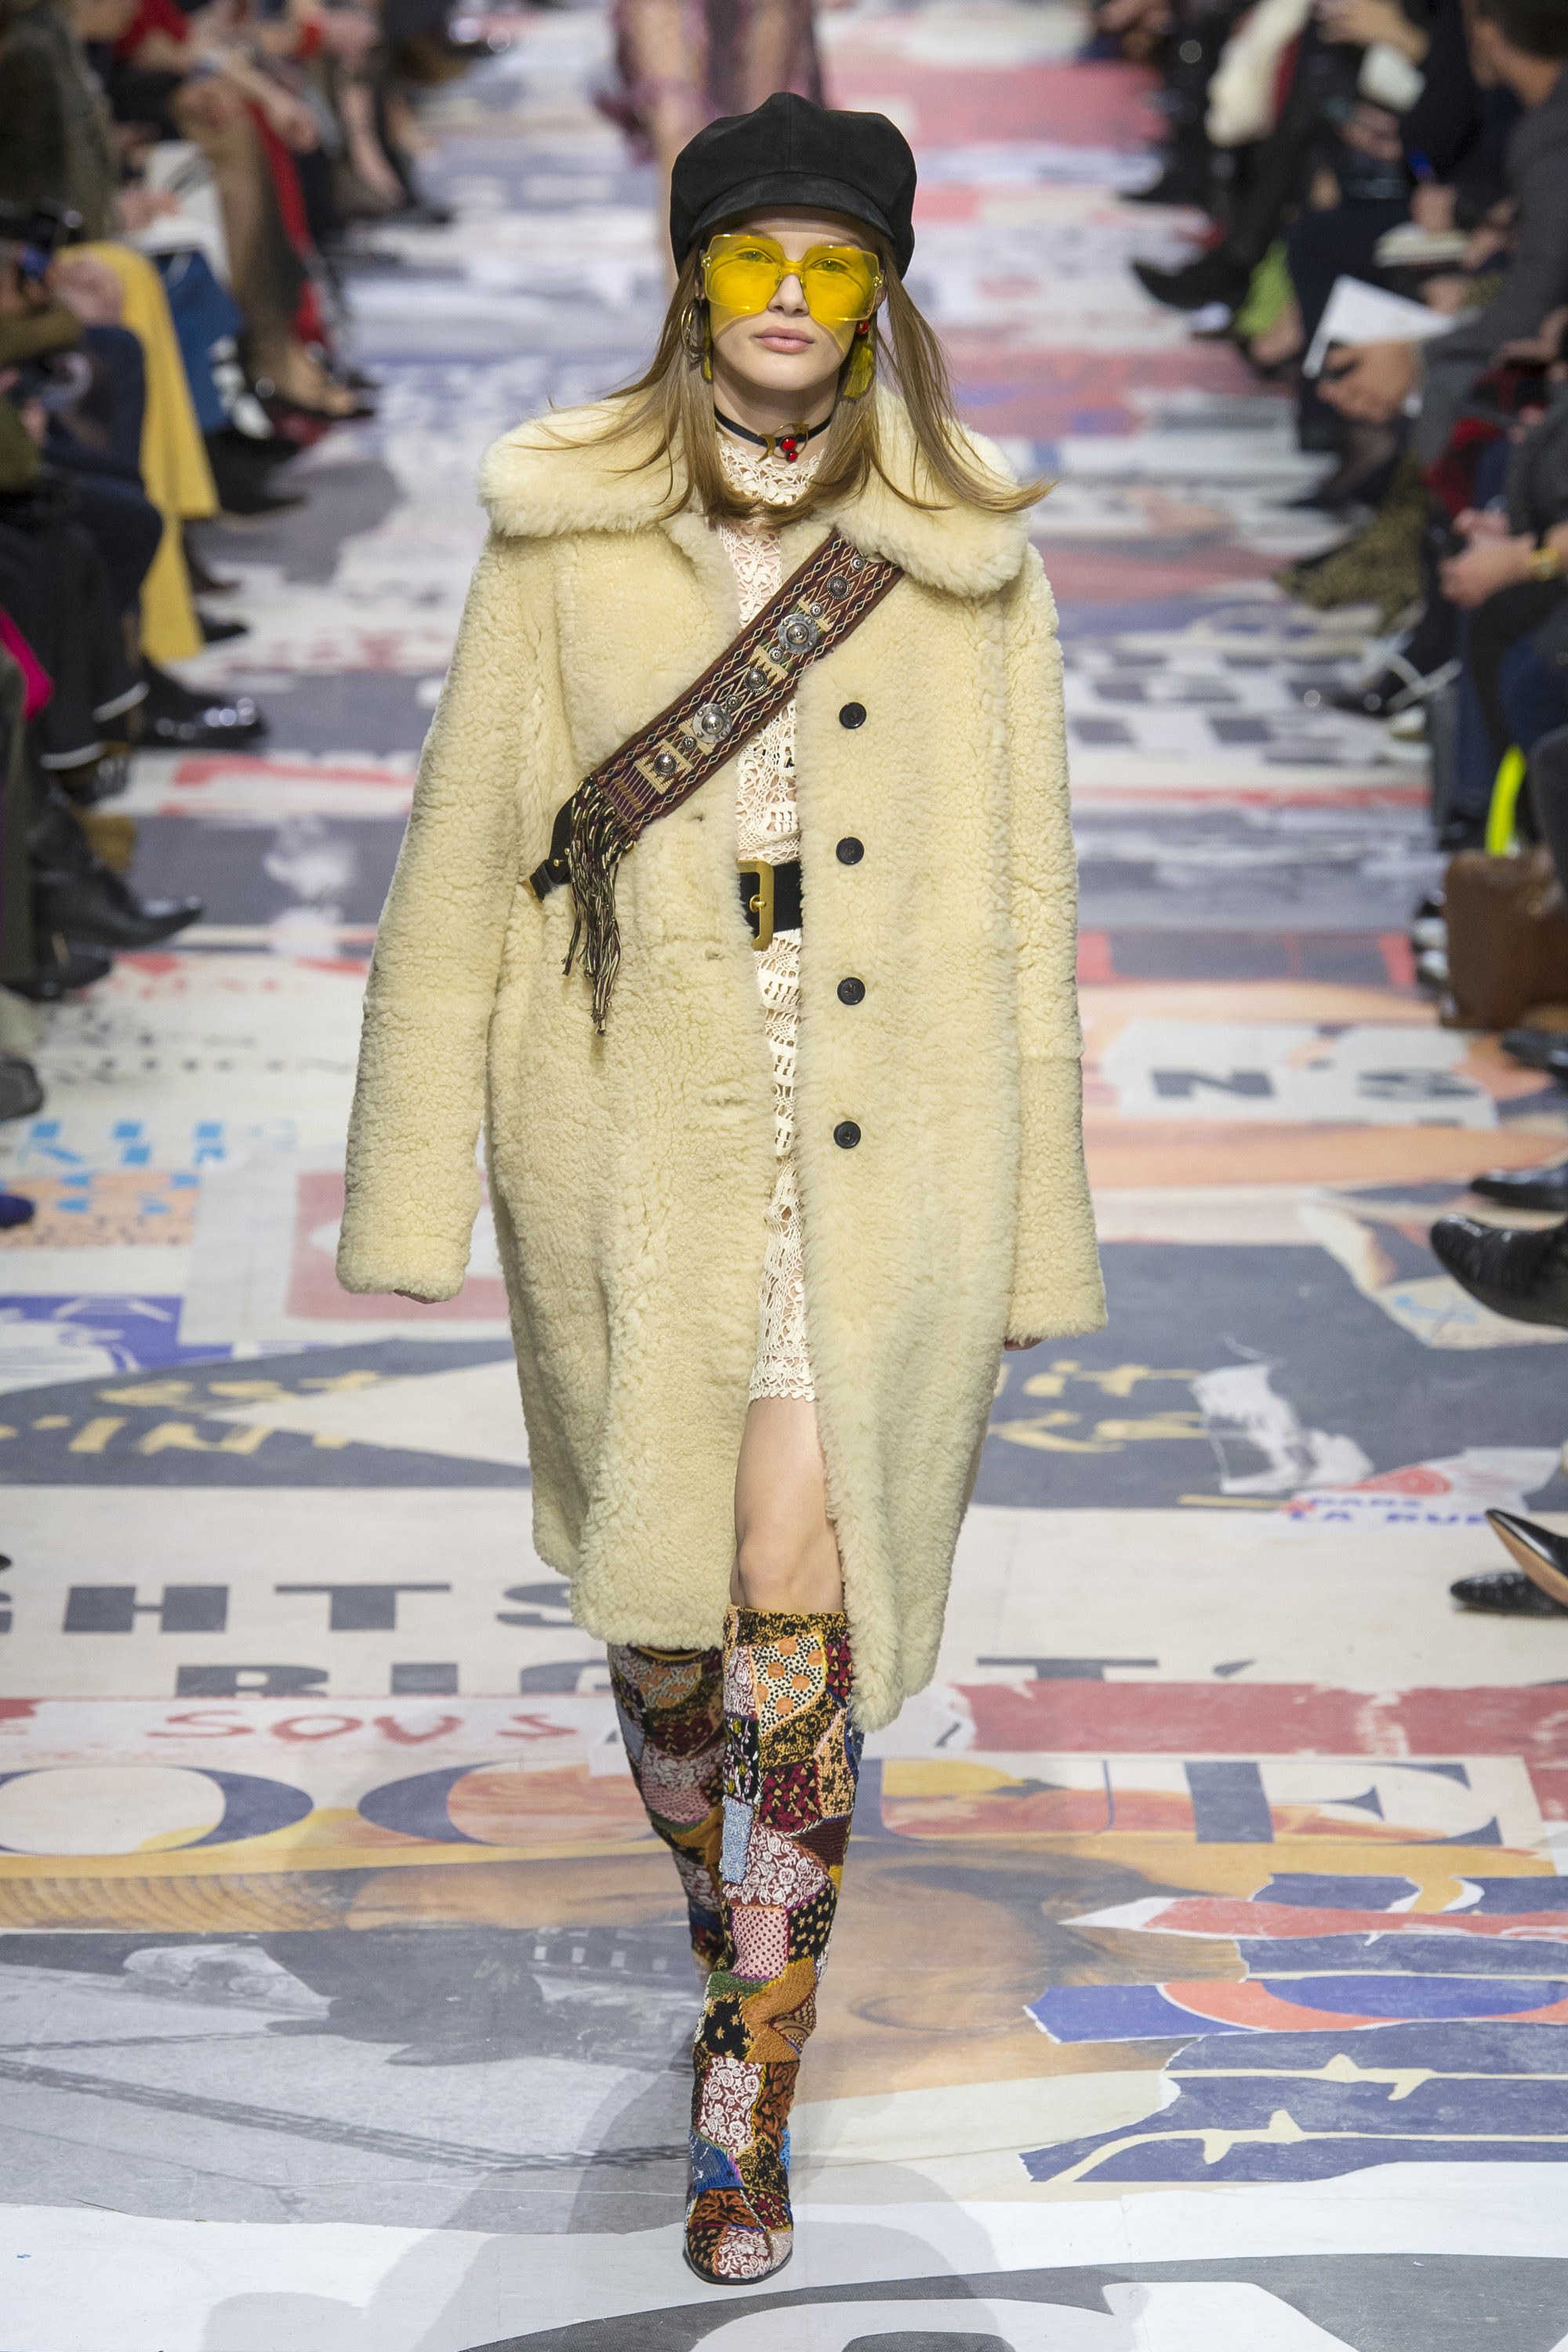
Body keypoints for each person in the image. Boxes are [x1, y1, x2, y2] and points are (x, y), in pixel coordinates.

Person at [336, 91, 1103, 2287]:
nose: (787, 296)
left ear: (882, 296)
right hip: (626, 1131)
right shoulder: (563, 535)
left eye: (831, 262)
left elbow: (1029, 910)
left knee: (794, 1588)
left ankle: (746, 2084)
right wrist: (410, 1186)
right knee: (670, 1633)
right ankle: (724, 1916)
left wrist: (1037, 1222)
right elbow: (462, 859)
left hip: (896, 1146)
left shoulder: (970, 553)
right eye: (752, 256)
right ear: (692, 281)